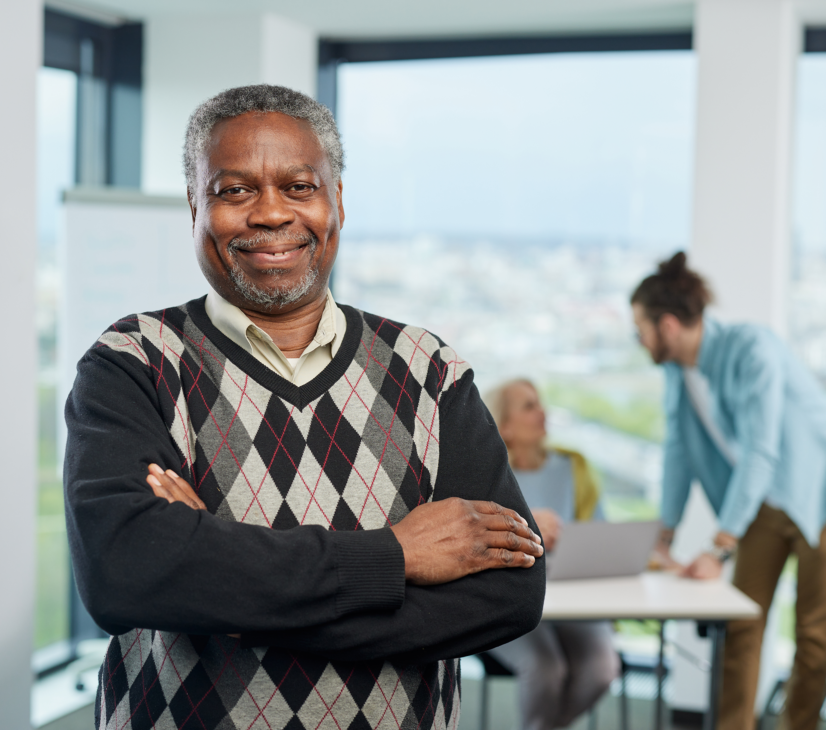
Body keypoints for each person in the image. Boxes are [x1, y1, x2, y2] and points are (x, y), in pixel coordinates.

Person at [64, 84, 546, 730]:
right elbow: (122, 571)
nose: (270, 213)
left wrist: (228, 601)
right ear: (195, 206)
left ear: (336, 201)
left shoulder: (430, 371)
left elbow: (509, 594)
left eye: (298, 187)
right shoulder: (133, 362)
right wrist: (394, 557)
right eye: (234, 190)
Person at [631, 251, 826, 730]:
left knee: (815, 636)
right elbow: (679, 450)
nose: (639, 340)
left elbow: (761, 451)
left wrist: (719, 546)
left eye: (640, 329)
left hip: (815, 495)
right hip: (762, 503)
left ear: (668, 325)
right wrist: (665, 535)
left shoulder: (752, 348)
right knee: (740, 624)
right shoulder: (678, 371)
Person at [483, 379, 619, 730]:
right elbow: (479, 545)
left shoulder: (573, 467)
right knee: (546, 669)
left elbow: (598, 534)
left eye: (540, 403)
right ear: (505, 426)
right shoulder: (485, 475)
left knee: (602, 669)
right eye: (529, 406)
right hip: (512, 599)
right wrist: (530, 527)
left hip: (572, 596)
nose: (542, 412)